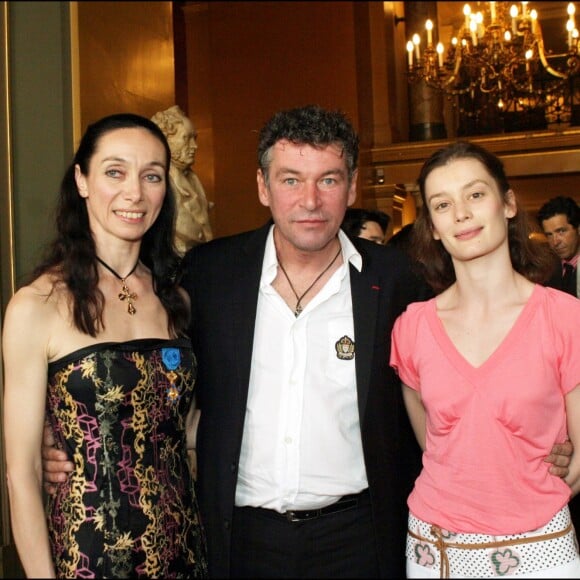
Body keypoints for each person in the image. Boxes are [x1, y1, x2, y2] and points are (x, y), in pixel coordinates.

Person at [41, 107, 573, 579]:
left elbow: (484, 339)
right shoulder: (208, 275)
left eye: (329, 180)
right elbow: (141, 361)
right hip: (239, 537)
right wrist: (72, 432)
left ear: (354, 185)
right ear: (262, 187)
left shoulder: (397, 280)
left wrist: (549, 436)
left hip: (361, 538)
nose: (310, 200)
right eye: (291, 180)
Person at [3, 113, 208, 578]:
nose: (134, 193)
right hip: (87, 559)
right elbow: (22, 474)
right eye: (115, 171)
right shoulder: (37, 305)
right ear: (82, 179)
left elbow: (188, 427)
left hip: (185, 552)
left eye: (151, 176)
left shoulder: (177, 299)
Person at [390, 141, 580, 578]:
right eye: (442, 204)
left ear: (508, 203)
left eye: (475, 195)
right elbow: (434, 442)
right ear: (433, 226)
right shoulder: (413, 327)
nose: (461, 214)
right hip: (434, 547)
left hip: (541, 541)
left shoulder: (563, 317)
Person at [151, 105, 213, 255]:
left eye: (194, 138)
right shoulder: (157, 184)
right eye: (187, 138)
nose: (195, 146)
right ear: (166, 140)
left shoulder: (192, 178)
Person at [537, 195, 580, 298]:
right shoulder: (546, 272)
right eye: (549, 235)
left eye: (561, 231)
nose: (555, 242)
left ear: (578, 229)